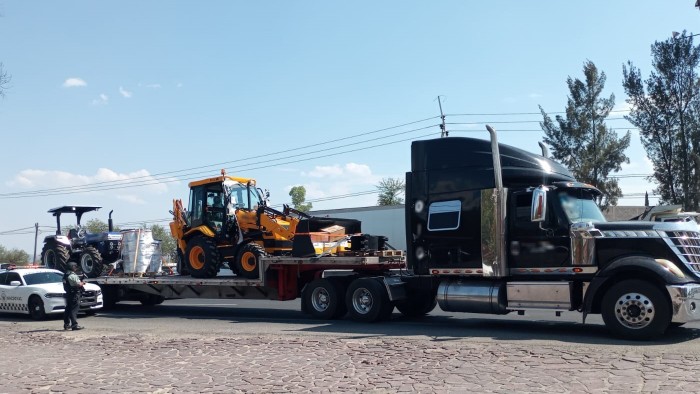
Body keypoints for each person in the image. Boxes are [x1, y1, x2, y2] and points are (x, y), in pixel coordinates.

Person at [62, 262, 85, 331]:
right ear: (72, 267)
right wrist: (82, 283)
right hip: (74, 294)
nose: (76, 268)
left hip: (68, 294)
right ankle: (74, 325)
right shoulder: (72, 275)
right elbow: (78, 284)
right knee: (74, 310)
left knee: (68, 309)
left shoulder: (65, 275)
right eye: (75, 266)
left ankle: (66, 324)